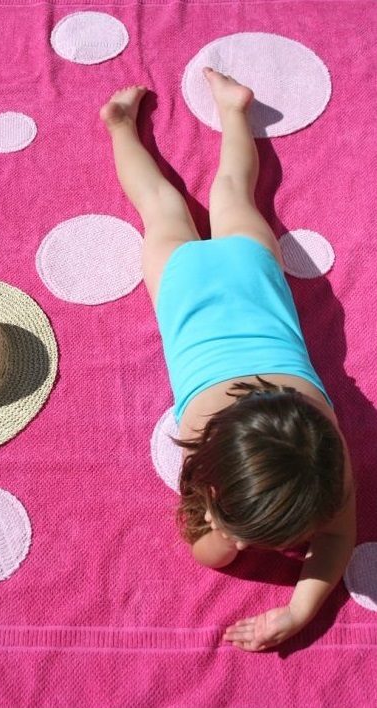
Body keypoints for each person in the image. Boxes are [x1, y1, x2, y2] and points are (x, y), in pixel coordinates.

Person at [100, 68, 356, 652]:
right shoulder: (204, 435)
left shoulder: (323, 441)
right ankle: (122, 128)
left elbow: (335, 532)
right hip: (183, 289)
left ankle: (232, 110)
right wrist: (232, 540)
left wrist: (291, 602)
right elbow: (213, 555)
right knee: (164, 205)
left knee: (231, 192)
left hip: (251, 273)